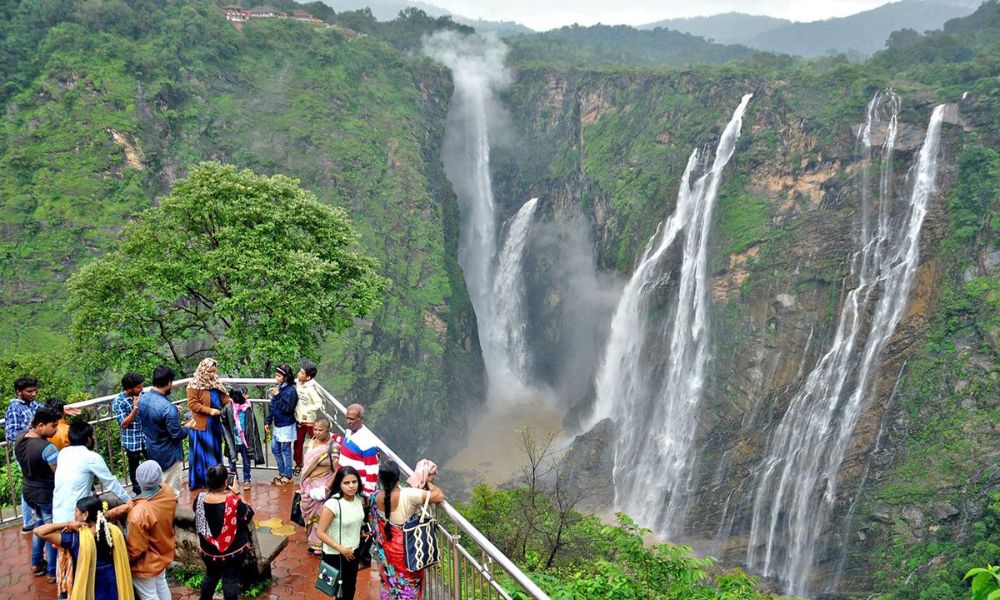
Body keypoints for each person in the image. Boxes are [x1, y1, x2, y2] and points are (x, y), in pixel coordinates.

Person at [34, 495, 134, 600]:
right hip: (113, 583)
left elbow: (39, 531)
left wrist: (68, 524)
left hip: (89, 586)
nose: (74, 514)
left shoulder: (75, 538)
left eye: (76, 511)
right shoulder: (114, 532)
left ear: (85, 514)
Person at [369, 460, 445, 599]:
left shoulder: (376, 497)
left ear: (380, 478)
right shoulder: (409, 495)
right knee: (409, 587)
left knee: (392, 582)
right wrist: (427, 480)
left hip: (387, 548)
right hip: (406, 550)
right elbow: (439, 495)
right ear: (398, 477)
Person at [14, 406, 62, 582]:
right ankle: (52, 571)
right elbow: (57, 473)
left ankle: (36, 563)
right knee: (51, 530)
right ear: (41, 425)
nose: (56, 429)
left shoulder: (20, 440)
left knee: (39, 525)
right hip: (45, 493)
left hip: (28, 491)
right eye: (54, 425)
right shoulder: (48, 448)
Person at [193, 464, 255, 600]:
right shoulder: (234, 502)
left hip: (209, 552)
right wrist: (237, 493)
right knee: (230, 580)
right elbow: (248, 513)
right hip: (232, 552)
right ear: (226, 482)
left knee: (211, 575)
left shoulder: (199, 499)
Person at [53, 421, 132, 523]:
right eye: (92, 436)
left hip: (58, 515)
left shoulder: (63, 453)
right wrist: (129, 501)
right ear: (89, 439)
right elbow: (111, 483)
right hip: (76, 518)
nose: (94, 439)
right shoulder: (91, 457)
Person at [126, 461, 177, 600]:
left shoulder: (139, 513)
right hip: (163, 553)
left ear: (138, 480)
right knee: (161, 584)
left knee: (149, 595)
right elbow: (136, 503)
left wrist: (123, 560)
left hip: (145, 565)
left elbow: (136, 549)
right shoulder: (166, 491)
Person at [316, 466, 367, 600]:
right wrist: (342, 549)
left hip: (354, 552)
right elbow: (320, 532)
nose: (351, 486)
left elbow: (356, 519)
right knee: (339, 592)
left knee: (350, 588)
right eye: (346, 483)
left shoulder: (359, 499)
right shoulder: (332, 504)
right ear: (339, 484)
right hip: (336, 554)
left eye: (354, 482)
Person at [137, 365, 188, 492]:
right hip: (169, 455)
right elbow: (177, 434)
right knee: (171, 494)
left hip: (152, 450)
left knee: (156, 492)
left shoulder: (142, 399)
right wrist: (188, 427)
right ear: (169, 383)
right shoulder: (167, 408)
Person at [186, 358, 231, 491]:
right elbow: (192, 404)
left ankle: (218, 479)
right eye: (210, 371)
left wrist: (229, 402)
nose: (212, 374)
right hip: (202, 424)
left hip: (215, 422)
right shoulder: (194, 385)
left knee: (215, 450)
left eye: (214, 371)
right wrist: (209, 410)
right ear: (204, 370)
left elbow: (222, 396)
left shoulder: (214, 381)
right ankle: (206, 481)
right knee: (204, 454)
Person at [6, 376, 42, 532]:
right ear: (18, 392)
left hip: (36, 448)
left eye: (34, 390)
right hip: (25, 451)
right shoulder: (15, 408)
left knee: (36, 482)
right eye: (29, 391)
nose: (33, 393)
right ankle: (28, 521)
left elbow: (46, 412)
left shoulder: (33, 405)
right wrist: (29, 431)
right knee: (30, 484)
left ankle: (38, 517)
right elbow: (10, 434)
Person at [299, 419, 340, 555]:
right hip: (308, 485)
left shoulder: (333, 447)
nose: (316, 433)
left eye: (320, 430)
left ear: (328, 431)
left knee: (319, 515)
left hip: (322, 486)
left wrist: (326, 489)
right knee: (307, 513)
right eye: (315, 429)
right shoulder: (312, 441)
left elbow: (337, 470)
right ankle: (312, 541)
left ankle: (320, 545)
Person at [112, 373, 147, 495]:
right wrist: (135, 408)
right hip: (131, 439)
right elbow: (124, 423)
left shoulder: (142, 394)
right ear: (129, 388)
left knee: (152, 461)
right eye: (138, 387)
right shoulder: (119, 402)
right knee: (134, 466)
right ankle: (138, 492)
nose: (141, 389)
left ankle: (155, 487)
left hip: (145, 436)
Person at [264, 364, 298, 485]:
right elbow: (272, 406)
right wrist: (268, 421)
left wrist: (278, 396)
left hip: (286, 424)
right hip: (278, 424)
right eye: (276, 375)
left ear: (286, 377)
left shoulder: (291, 391)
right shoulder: (278, 387)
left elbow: (288, 409)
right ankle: (282, 471)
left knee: (285, 449)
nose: (276, 378)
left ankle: (288, 474)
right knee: (275, 448)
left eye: (279, 376)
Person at [338, 404, 379, 495]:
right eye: (347, 418)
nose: (348, 422)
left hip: (356, 490)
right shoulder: (349, 432)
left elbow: (372, 470)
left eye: (352, 419)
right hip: (344, 485)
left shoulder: (367, 441)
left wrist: (366, 495)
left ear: (361, 419)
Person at [221, 387, 257, 490]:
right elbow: (222, 420)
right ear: (239, 397)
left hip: (245, 440)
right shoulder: (228, 408)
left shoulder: (248, 407)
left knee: (246, 461)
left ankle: (247, 479)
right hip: (233, 440)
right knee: (232, 460)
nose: (247, 396)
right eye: (245, 394)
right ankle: (233, 479)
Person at [293, 361, 324, 476]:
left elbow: (318, 403)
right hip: (299, 418)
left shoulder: (311, 388)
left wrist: (307, 410)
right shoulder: (298, 383)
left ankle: (318, 463)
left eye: (301, 373)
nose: (298, 374)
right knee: (298, 442)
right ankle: (298, 464)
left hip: (309, 420)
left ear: (308, 377)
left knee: (315, 441)